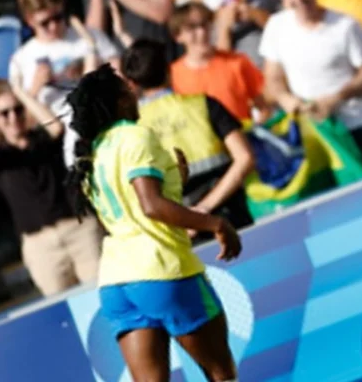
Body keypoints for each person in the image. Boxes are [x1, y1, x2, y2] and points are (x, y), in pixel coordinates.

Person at [63, 68, 242, 382]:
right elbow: (151, 206)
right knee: (221, 374)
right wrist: (215, 223)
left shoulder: (94, 151)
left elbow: (130, 207)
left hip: (117, 282)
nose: (134, 92)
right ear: (118, 102)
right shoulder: (134, 134)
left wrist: (176, 183)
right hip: (163, 271)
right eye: (126, 89)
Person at [0, 70, 102, 296]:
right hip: (40, 244)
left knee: (105, 296)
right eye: (4, 114)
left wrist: (21, 93)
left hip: (79, 229)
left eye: (17, 110)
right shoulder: (0, 158)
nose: (13, 117)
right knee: (62, 310)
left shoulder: (44, 141)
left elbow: (56, 127)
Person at [121, 41, 256, 232]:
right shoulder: (204, 104)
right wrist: (204, 208)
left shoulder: (132, 130)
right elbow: (245, 158)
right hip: (230, 220)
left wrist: (189, 219)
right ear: (169, 70)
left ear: (132, 84)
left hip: (180, 232)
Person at [259, 0, 362, 164]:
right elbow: (272, 77)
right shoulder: (276, 26)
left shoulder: (345, 25)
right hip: (312, 133)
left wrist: (336, 98)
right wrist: (288, 100)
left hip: (353, 126)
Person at [10, 0, 117, 115]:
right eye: (45, 23)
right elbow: (20, 115)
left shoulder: (88, 36)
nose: (53, 26)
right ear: (29, 20)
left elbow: (118, 71)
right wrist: (36, 87)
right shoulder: (21, 58)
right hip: (57, 122)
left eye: (58, 17)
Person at [170, 3, 268, 123]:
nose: (201, 32)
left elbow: (264, 107)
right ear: (178, 36)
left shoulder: (237, 62)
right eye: (192, 28)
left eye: (204, 24)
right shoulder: (173, 75)